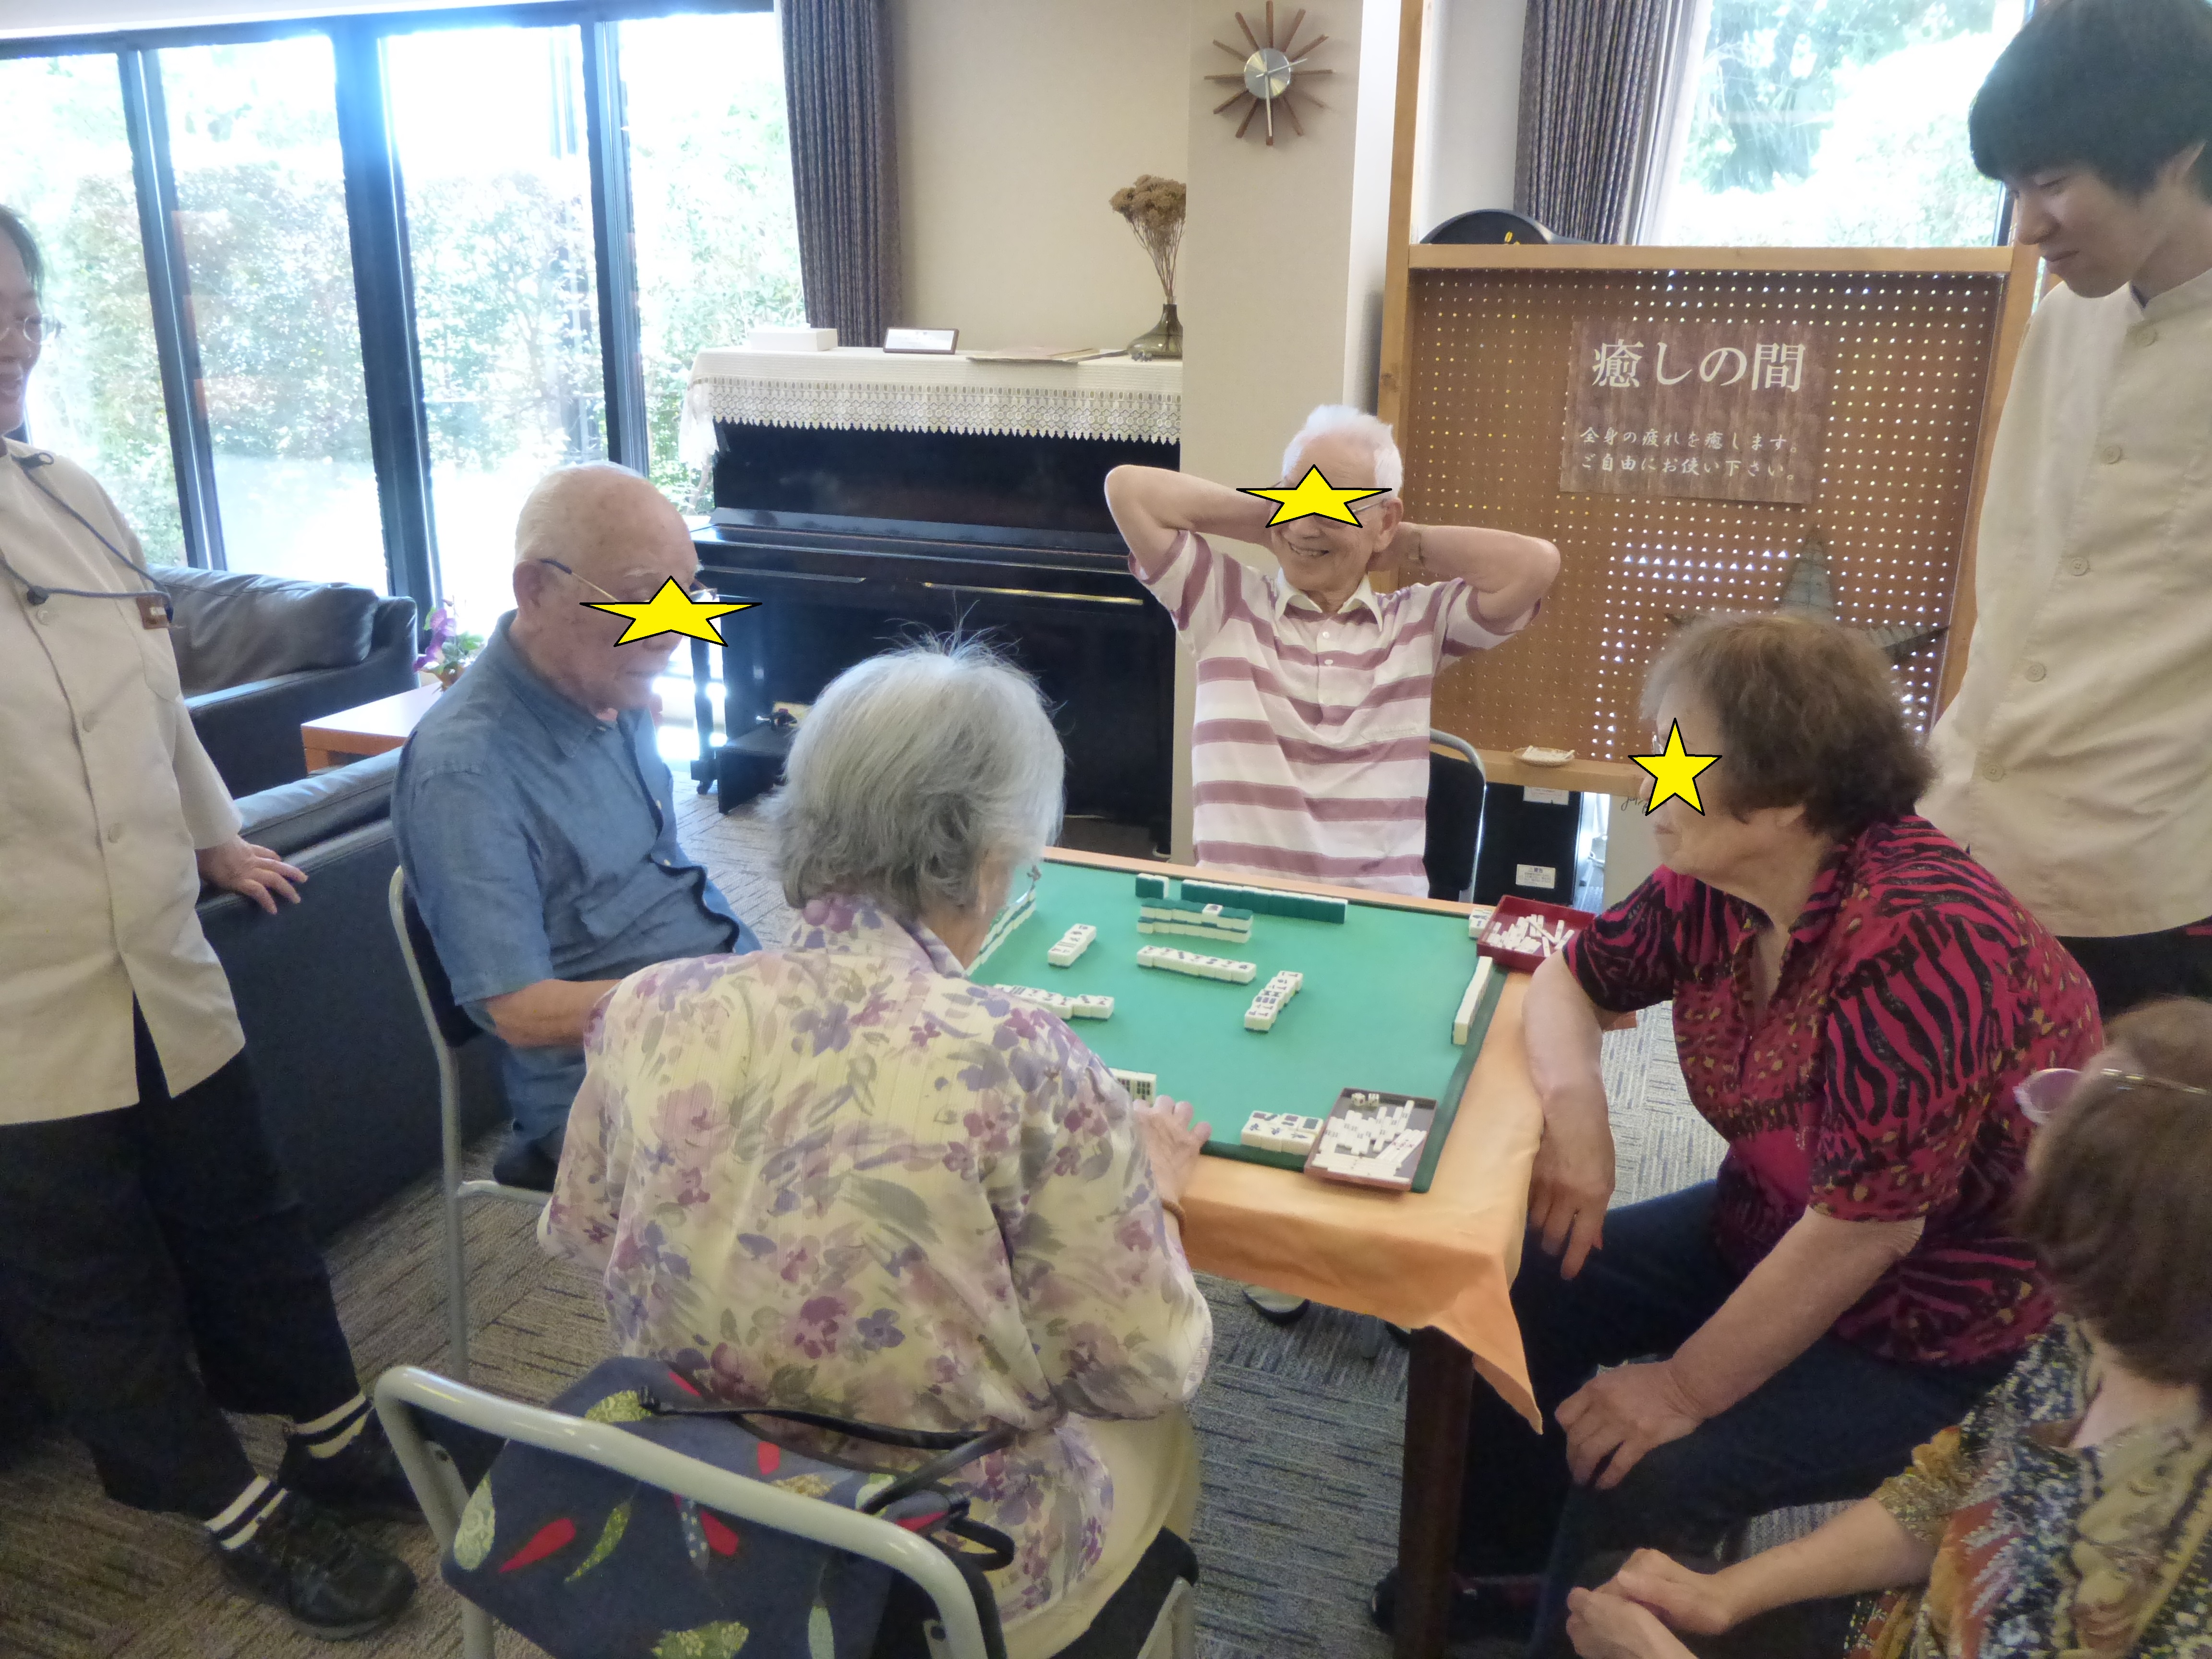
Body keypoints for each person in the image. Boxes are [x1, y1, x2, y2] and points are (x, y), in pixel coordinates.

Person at [1391, 613, 2103, 1656]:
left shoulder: (1923, 941)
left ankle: (1585, 1629)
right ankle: (1503, 1573)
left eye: (1680, 759)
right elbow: (1571, 977)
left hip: (1929, 1326)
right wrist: (1580, 1120)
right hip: (1770, 1224)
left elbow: (1867, 1232)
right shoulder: (1717, 884)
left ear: (1785, 799)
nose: (1652, 784)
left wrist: (1680, 1388)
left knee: (1648, 1464)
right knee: (1514, 1278)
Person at [542, 639, 1215, 1659]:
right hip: (939, 1577)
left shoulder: (645, 1008)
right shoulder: (1028, 1058)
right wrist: (1157, 1198)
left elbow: (589, 1235)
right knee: (1165, 1440)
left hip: (698, 1512)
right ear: (988, 860)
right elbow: (1147, 1368)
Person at [0, 204, 416, 1636]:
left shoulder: (69, 493)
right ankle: (227, 1506)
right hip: (18, 996)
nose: (10, 344)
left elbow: (152, 692)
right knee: (91, 1277)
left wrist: (219, 832)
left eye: (24, 315)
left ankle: (334, 1433)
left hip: (158, 946)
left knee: (247, 1207)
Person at [1563, 997, 2212, 1659]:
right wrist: (1730, 1593)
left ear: (2109, 1228)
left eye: (2061, 1111)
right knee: (1615, 1586)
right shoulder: (2090, 1339)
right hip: (1904, 1626)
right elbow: (1947, 1491)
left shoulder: (2179, 1569)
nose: (2033, 1125)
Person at [1920, 0, 2212, 1019]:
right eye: (2011, 188)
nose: (2027, 225)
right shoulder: (2062, 320)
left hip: (2142, 877)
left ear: (2177, 153)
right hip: (1964, 826)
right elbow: (2015, 570)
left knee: (2102, 1122)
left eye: (2050, 182)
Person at [394, 462, 762, 1190]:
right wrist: (711, 998)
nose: (670, 630)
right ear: (535, 591)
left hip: (723, 1025)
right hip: (609, 1090)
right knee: (870, 1168)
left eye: (686, 595)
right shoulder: (465, 773)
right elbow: (518, 1011)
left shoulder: (609, 687)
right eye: (640, 596)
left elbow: (659, 868)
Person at [1105, 404, 1558, 896]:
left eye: (1332, 507)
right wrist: (1277, 522)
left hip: (1378, 918)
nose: (1304, 526)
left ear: (1387, 520)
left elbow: (1533, 565)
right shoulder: (1222, 602)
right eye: (1293, 497)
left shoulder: (1420, 621)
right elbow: (1129, 490)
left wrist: (1397, 542)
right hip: (1240, 912)